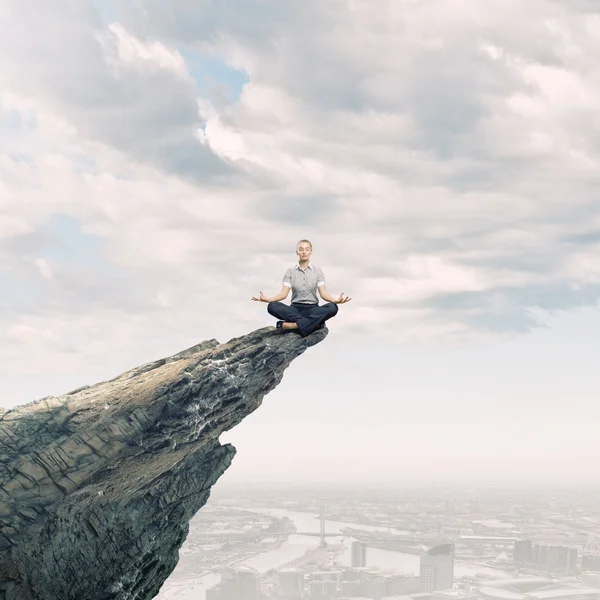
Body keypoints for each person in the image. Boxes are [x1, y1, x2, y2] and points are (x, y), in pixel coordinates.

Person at [251, 239, 351, 337]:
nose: (304, 252)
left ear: (311, 252)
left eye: (307, 249)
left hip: (313, 309)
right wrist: (268, 299)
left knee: (333, 307)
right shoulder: (290, 272)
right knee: (272, 306)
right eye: (301, 249)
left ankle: (292, 325)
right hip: (295, 309)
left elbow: (323, 293)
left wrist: (335, 300)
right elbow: (283, 294)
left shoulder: (317, 271)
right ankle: (313, 324)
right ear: (297, 252)